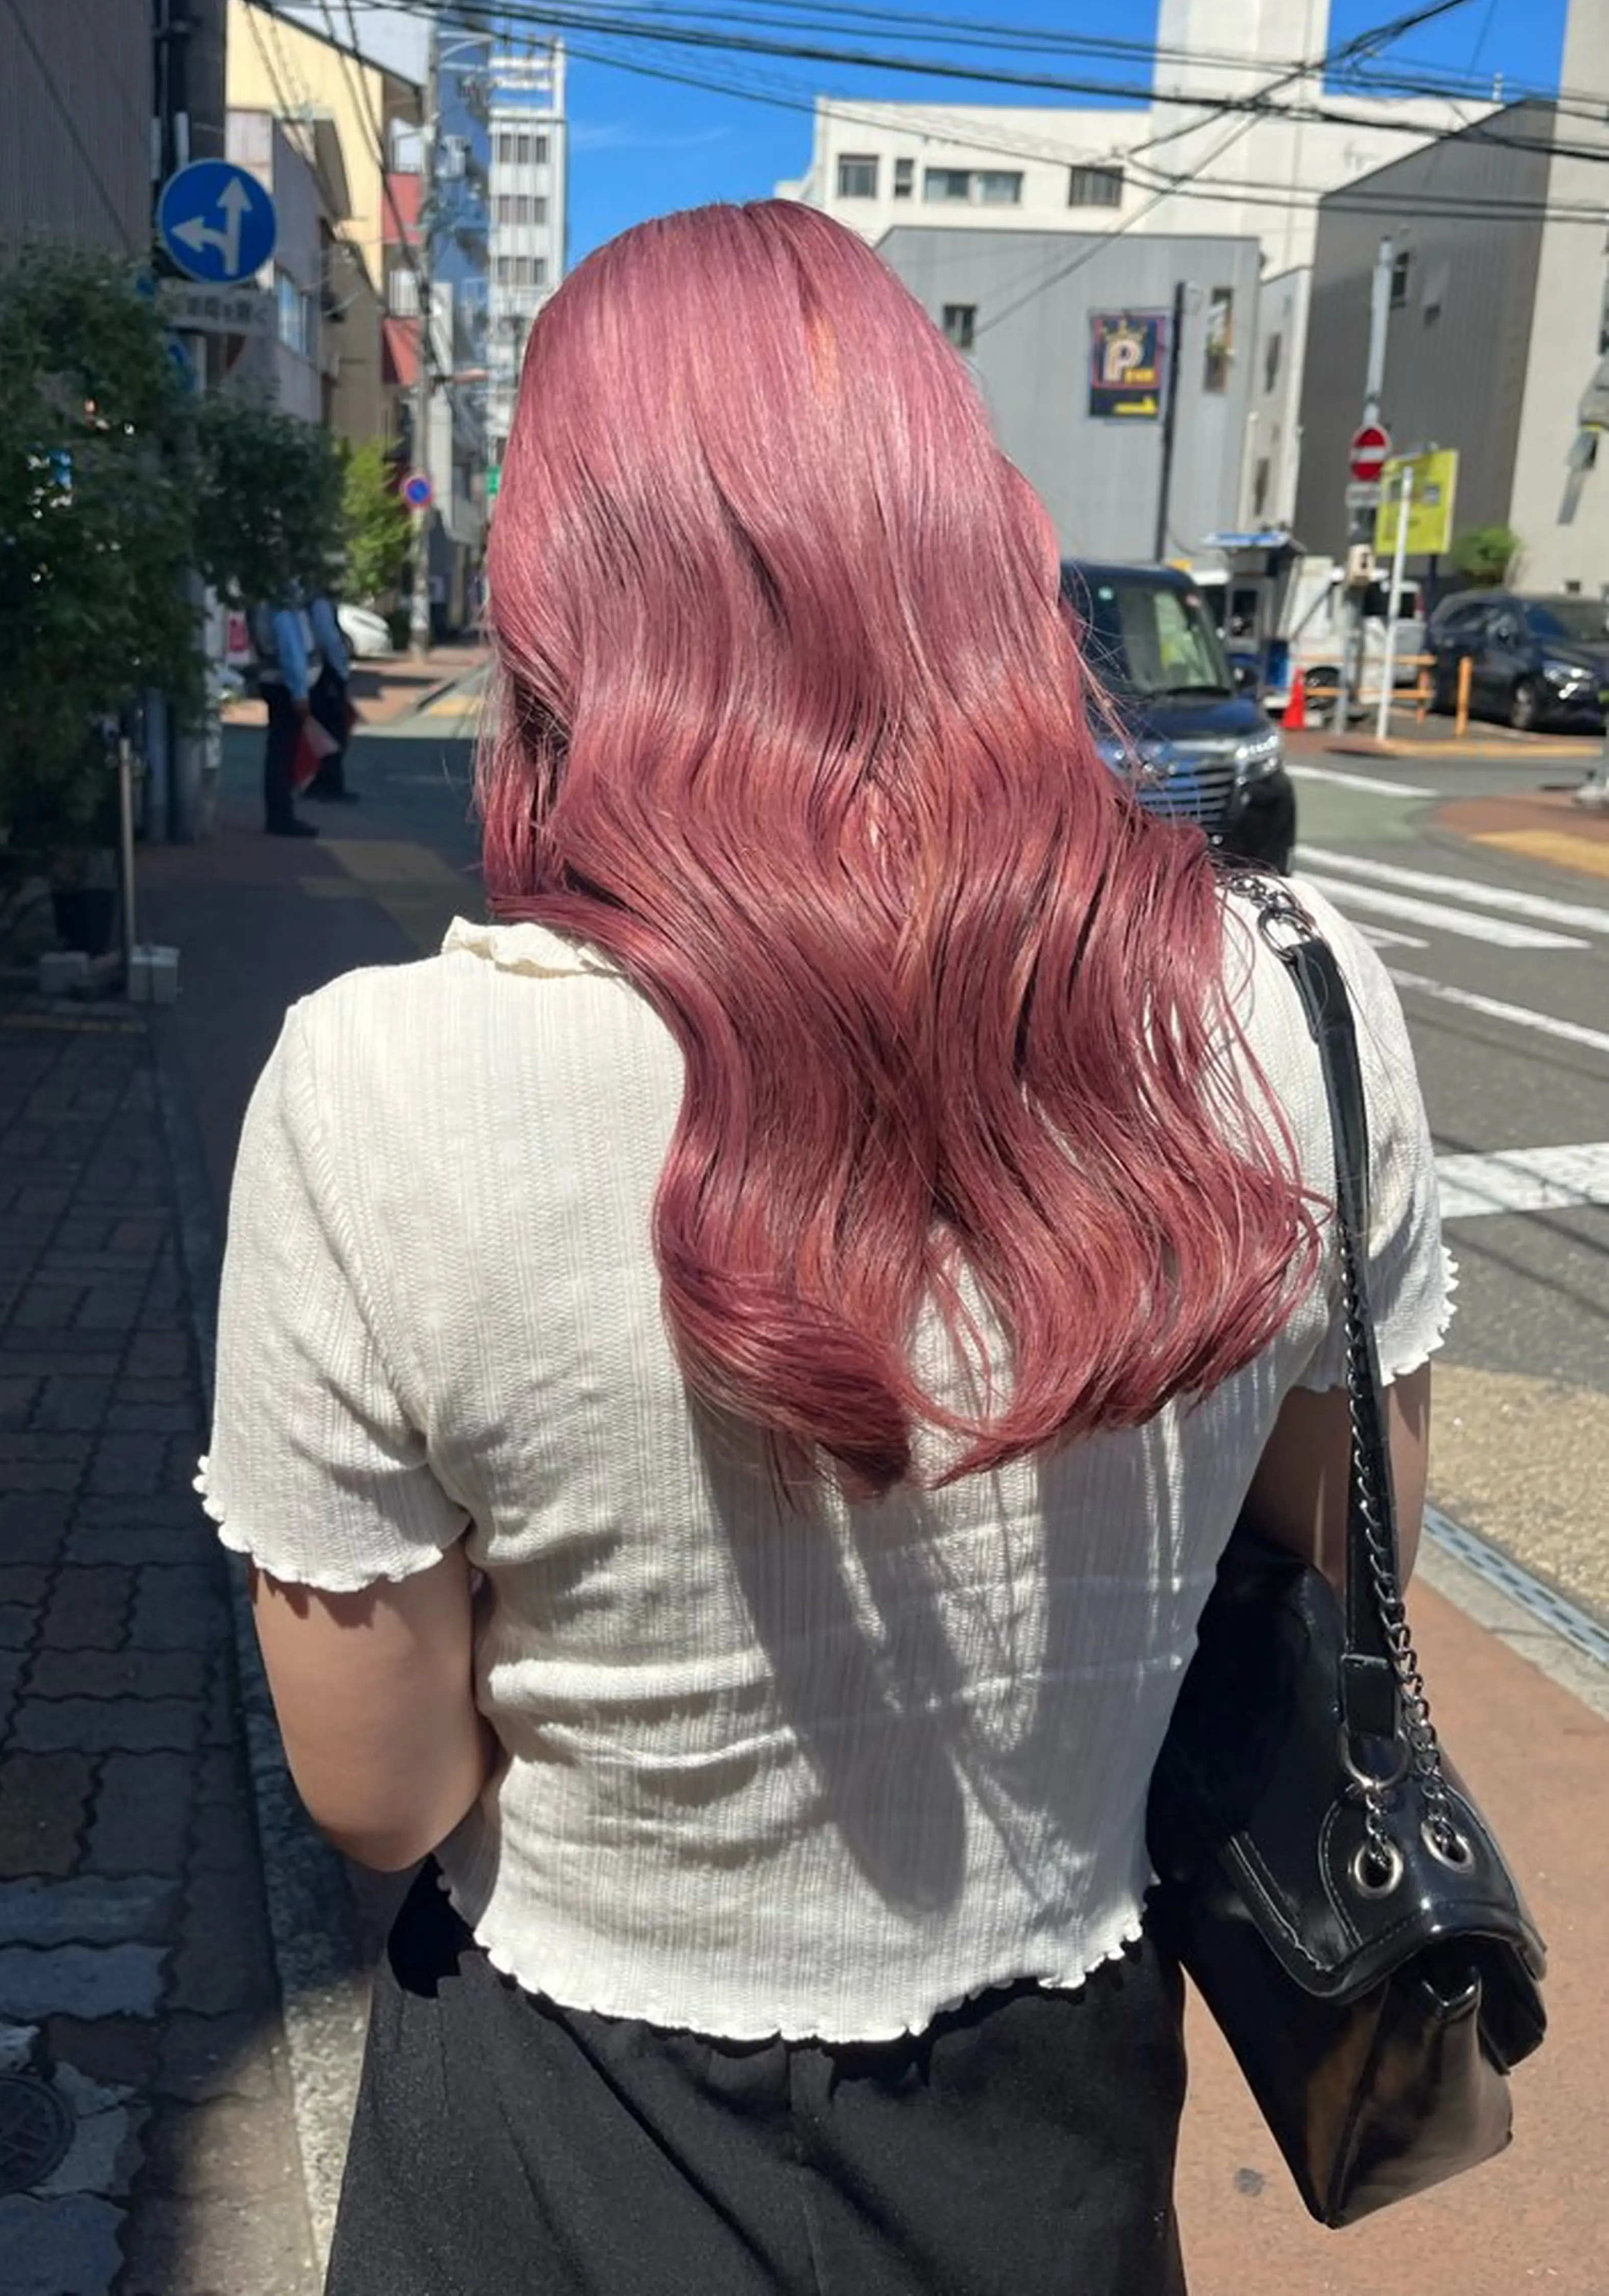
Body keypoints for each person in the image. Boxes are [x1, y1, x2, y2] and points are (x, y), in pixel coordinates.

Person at [200, 203, 1450, 2294]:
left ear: (555, 593)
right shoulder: (1296, 1002)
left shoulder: (383, 1078)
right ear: (969, 536)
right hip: (1052, 2142)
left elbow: (387, 1784)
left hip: (555, 2137)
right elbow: (1364, 1526)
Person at [250, 592, 317, 840]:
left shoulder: (266, 604)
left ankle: (281, 814)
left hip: (275, 682)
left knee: (280, 751)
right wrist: (300, 693)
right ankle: (281, 817)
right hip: (284, 686)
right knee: (283, 754)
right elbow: (292, 653)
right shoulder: (281, 608)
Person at [302, 581, 357, 804]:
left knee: (325, 727)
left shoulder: (309, 602)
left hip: (317, 672)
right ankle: (329, 783)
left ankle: (321, 781)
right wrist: (341, 669)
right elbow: (329, 639)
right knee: (334, 729)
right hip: (327, 673)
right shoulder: (319, 604)